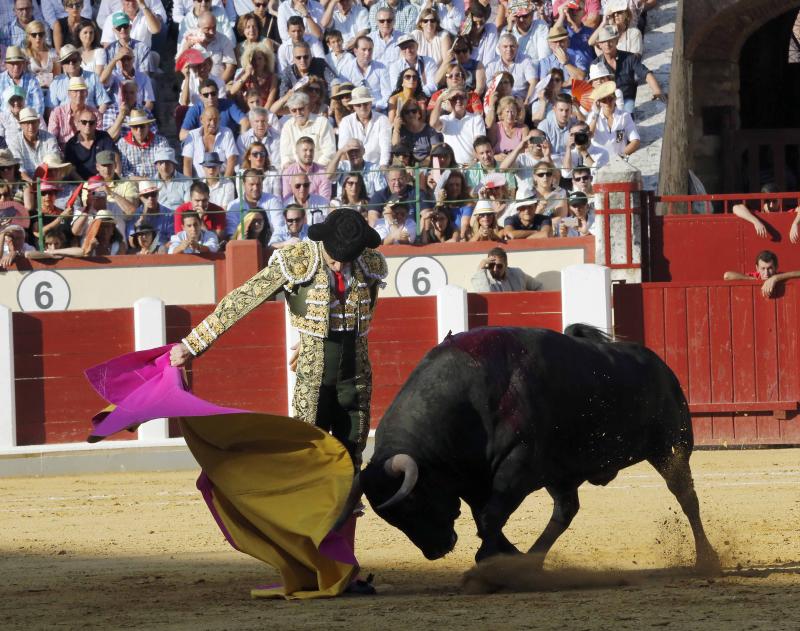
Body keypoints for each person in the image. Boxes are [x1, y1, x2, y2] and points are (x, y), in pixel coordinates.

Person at [169, 207, 388, 473]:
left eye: (347, 258)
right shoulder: (297, 260)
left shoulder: (370, 264)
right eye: (334, 258)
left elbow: (363, 316)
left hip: (356, 376)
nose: (340, 265)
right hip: (313, 373)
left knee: (352, 454)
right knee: (309, 451)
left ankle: (347, 510)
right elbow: (243, 299)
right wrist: (194, 343)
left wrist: (312, 332)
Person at [588, 24, 664, 113]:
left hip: (627, 99)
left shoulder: (629, 58)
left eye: (610, 41)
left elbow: (646, 74)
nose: (607, 44)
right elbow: (592, 86)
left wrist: (657, 91)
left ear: (616, 41)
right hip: (606, 102)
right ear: (599, 45)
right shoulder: (595, 64)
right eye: (604, 42)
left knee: (628, 111)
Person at [430, 88, 486, 166]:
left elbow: (479, 143)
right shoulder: (445, 119)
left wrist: (474, 162)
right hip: (452, 167)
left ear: (467, 100)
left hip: (472, 166)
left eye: (461, 97)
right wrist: (440, 99)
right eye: (454, 98)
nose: (458, 100)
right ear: (449, 101)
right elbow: (433, 123)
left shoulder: (476, 118)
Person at [279, 92, 336, 168]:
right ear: (290, 111)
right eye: (294, 110)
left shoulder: (322, 122)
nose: (298, 113)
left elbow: (329, 153)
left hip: (320, 171)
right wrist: (295, 171)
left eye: (301, 109)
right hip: (296, 175)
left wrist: (313, 170)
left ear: (307, 107)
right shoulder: (287, 126)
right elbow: (286, 156)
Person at [337, 87, 390, 167]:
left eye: (365, 103)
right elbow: (343, 149)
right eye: (358, 105)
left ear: (371, 103)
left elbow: (385, 148)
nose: (362, 107)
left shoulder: (382, 119)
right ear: (353, 106)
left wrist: (383, 168)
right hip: (354, 168)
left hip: (377, 168)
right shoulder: (346, 121)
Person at [587, 80, 639, 158]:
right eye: (604, 100)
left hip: (619, 161)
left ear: (615, 98)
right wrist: (596, 114)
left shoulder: (624, 115)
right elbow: (588, 136)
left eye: (610, 98)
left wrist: (620, 157)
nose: (608, 102)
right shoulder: (593, 116)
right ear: (599, 102)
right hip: (598, 161)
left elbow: (635, 141)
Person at [182, 106, 238, 177]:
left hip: (221, 180)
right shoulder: (192, 135)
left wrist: (225, 182)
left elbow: (232, 159)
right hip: (199, 183)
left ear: (220, 120)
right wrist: (189, 184)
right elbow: (187, 162)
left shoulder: (227, 133)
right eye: (210, 119)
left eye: (215, 119)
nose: (213, 123)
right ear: (201, 120)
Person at [8, 107, 60, 181]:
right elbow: (19, 167)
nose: (31, 127)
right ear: (21, 125)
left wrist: (43, 184)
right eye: (27, 123)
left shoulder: (49, 138)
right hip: (25, 182)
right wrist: (31, 182)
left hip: (48, 179)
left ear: (38, 122)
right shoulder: (15, 141)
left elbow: (53, 162)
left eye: (33, 122)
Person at [723, 250, 800, 298]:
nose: (766, 273)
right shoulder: (755, 276)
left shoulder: (779, 276)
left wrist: (775, 278)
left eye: (770, 268)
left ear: (776, 267)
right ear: (757, 268)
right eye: (763, 268)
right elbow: (727, 275)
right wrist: (753, 280)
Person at [63, 108, 115, 178]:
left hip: (104, 181)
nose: (88, 125)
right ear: (78, 124)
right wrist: (85, 185)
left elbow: (115, 159)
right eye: (84, 122)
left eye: (91, 122)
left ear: (96, 124)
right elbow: (71, 170)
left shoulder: (104, 137)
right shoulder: (71, 145)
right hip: (80, 184)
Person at [117, 108, 169, 178]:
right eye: (135, 127)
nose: (139, 130)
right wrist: (140, 180)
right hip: (133, 184)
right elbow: (124, 170)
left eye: (142, 126)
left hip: (157, 182)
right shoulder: (122, 143)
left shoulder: (161, 141)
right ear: (130, 128)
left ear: (148, 126)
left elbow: (165, 167)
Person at [471, 246, 543, 291]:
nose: (495, 269)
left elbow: (539, 286)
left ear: (506, 265)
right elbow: (485, 296)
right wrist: (480, 268)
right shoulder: (483, 277)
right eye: (491, 265)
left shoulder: (517, 274)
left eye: (499, 266)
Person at [0, 46, 45, 117]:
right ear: (6, 64)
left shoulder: (32, 80)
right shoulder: (0, 79)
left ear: (23, 64)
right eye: (12, 63)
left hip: (29, 121)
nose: (16, 67)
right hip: (4, 122)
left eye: (18, 63)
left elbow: (39, 108)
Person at [153, 147, 192, 211]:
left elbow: (188, 205)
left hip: (179, 216)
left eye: (168, 162)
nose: (164, 166)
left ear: (174, 164)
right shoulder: (150, 182)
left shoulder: (187, 181)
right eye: (161, 163)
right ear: (156, 165)